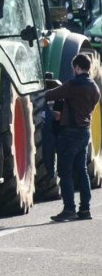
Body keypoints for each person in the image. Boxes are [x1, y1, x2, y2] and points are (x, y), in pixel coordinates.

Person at [46, 53, 101, 221]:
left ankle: (69, 208)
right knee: (82, 171)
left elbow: (50, 95)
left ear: (77, 67)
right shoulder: (95, 89)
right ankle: (85, 210)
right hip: (85, 132)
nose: (73, 71)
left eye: (73, 68)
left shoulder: (73, 85)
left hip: (69, 134)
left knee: (65, 172)